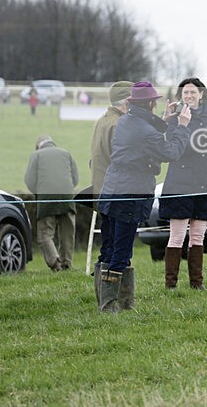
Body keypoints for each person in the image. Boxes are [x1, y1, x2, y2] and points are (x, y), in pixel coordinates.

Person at [97, 82, 191, 313]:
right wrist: (181, 127)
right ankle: (111, 306)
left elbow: (147, 131)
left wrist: (165, 120)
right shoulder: (145, 130)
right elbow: (171, 152)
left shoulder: (125, 121)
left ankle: (119, 303)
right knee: (122, 250)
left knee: (109, 248)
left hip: (111, 189)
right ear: (149, 103)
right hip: (131, 193)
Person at [159, 78, 207, 290]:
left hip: (205, 181)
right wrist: (183, 125)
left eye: (192, 92)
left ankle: (197, 283)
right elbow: (178, 150)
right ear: (181, 96)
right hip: (180, 183)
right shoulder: (174, 120)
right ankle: (171, 284)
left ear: (201, 94)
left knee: (198, 236)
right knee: (177, 236)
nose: (189, 96)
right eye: (185, 93)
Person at [90, 81, 132, 304]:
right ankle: (114, 302)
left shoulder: (102, 121)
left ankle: (106, 300)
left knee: (107, 247)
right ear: (126, 102)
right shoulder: (119, 125)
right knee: (116, 250)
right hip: (116, 194)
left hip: (102, 193)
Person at [24, 134, 80, 271]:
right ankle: (67, 263)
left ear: (38, 146)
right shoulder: (66, 153)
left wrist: (39, 194)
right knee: (67, 232)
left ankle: (55, 263)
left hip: (47, 199)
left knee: (45, 234)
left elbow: (29, 180)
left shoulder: (36, 155)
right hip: (67, 197)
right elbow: (76, 178)